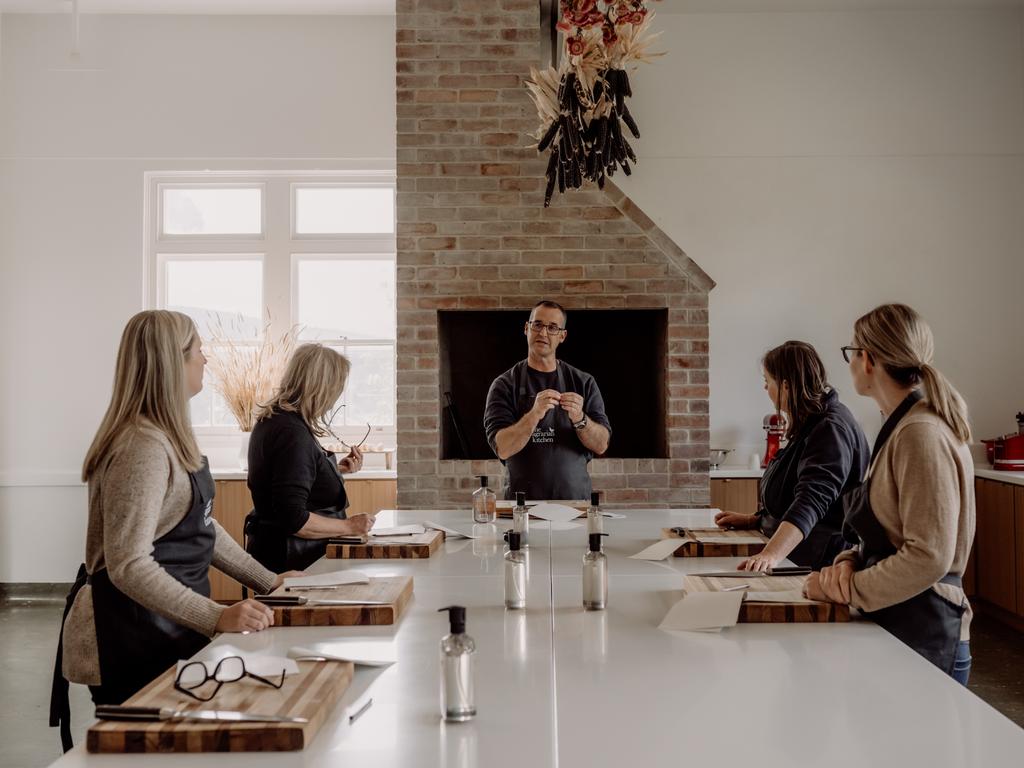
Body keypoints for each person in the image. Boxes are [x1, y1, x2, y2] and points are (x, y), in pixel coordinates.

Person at [51, 311, 293, 750]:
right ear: (172, 362)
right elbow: (128, 564)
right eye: (199, 352)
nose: (206, 361)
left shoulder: (168, 435)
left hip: (168, 630)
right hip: (131, 637)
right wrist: (217, 616)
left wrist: (270, 582)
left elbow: (201, 525)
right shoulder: (141, 446)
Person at [805, 304, 975, 684]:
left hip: (927, 636)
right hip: (898, 625)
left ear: (868, 360)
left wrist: (848, 587)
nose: (849, 363)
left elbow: (929, 555)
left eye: (851, 353)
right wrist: (848, 561)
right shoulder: (901, 428)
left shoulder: (920, 434)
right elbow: (888, 532)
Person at [715, 341, 869, 571]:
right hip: (801, 554)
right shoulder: (813, 419)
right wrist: (755, 520)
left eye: (768, 381)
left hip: (820, 562)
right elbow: (790, 491)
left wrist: (770, 556)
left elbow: (812, 501)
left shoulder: (830, 428)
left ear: (786, 386)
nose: (765, 389)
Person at [245, 343, 373, 573]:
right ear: (321, 388)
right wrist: (350, 526)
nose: (335, 399)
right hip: (292, 559)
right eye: (336, 388)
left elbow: (289, 475)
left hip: (279, 553)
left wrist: (333, 470)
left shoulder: (275, 419)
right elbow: (293, 518)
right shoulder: (291, 432)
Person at [483, 300, 611, 500]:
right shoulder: (504, 385)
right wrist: (533, 415)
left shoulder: (583, 382)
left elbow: (602, 444)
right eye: (538, 325)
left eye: (552, 328)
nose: (543, 333)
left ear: (562, 336)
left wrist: (580, 419)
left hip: (575, 502)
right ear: (527, 328)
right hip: (521, 507)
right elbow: (503, 448)